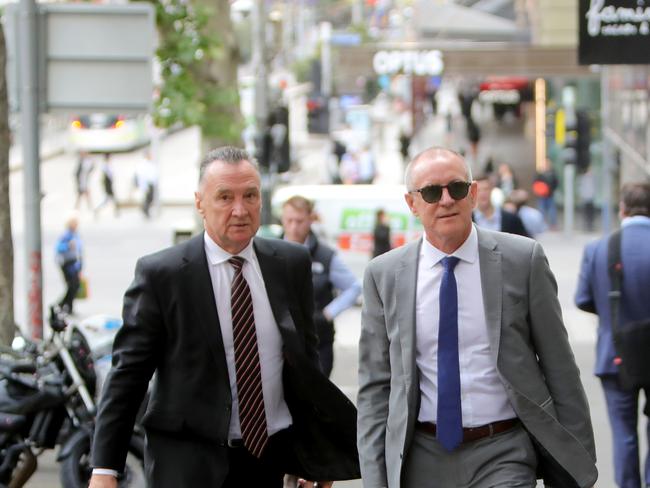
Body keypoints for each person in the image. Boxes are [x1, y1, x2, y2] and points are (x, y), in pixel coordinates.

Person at [89, 147, 360, 488]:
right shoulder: (163, 274)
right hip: (187, 463)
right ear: (199, 202)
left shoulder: (290, 263)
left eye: (250, 195)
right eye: (224, 197)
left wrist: (314, 455)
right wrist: (105, 468)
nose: (240, 209)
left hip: (268, 458)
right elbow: (128, 375)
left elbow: (304, 366)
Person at [357, 146, 597, 488]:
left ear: (473, 194)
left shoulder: (522, 260)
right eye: (430, 192)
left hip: (504, 450)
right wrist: (374, 476)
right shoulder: (384, 275)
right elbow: (375, 388)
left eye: (456, 188)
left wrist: (579, 461)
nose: (446, 201)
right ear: (412, 204)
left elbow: (560, 366)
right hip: (422, 455)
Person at [575, 182, 650, 488]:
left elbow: (582, 298)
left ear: (622, 209)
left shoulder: (598, 248)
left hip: (615, 353)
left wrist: (610, 315)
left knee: (624, 433)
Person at [280, 195, 361, 378]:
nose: (294, 226)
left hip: (317, 342)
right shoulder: (269, 251)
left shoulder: (325, 256)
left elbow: (354, 287)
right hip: (281, 344)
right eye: (289, 220)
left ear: (310, 219)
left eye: (299, 221)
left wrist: (328, 313)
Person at [55, 215, 83, 315]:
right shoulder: (66, 235)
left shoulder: (75, 235)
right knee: (72, 285)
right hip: (67, 263)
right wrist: (68, 245)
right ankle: (63, 304)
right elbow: (58, 248)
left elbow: (79, 250)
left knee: (75, 285)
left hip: (74, 263)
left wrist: (80, 266)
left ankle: (66, 305)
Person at [533, 158, 559, 229]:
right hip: (542, 195)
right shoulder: (540, 173)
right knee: (541, 211)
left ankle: (553, 225)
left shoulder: (553, 172)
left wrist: (551, 189)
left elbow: (556, 182)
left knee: (552, 211)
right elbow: (536, 182)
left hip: (550, 195)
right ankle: (541, 225)